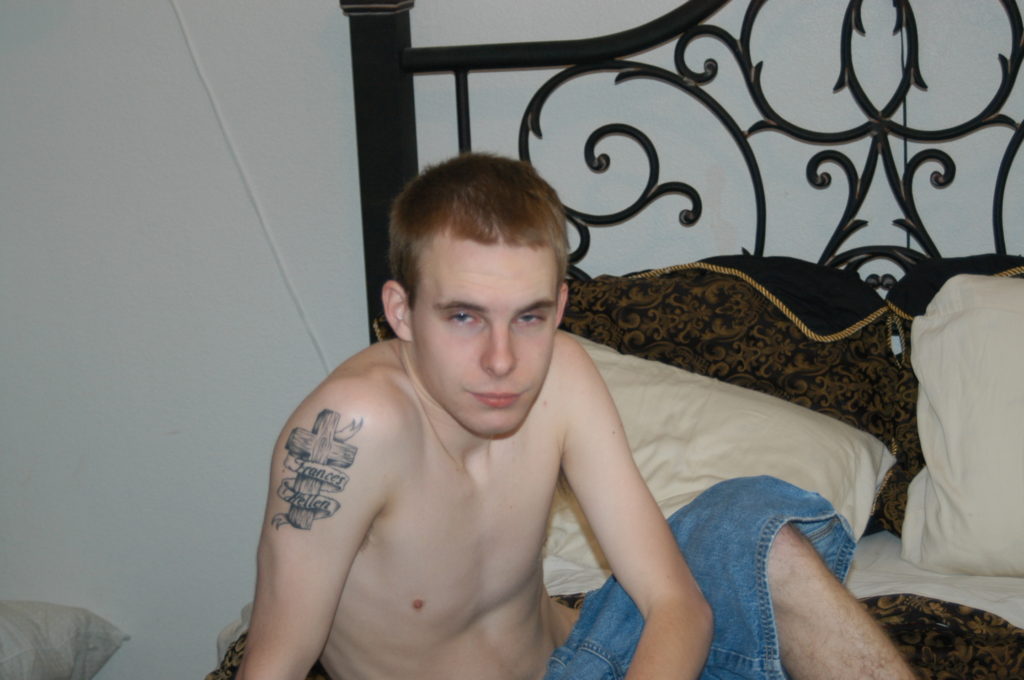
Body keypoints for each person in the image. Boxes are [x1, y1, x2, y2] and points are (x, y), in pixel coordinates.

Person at [232, 153, 916, 680]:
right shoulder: (349, 432)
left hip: (589, 658)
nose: (502, 360)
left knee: (754, 531)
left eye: (529, 317)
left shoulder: (562, 373)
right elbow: (273, 665)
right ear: (400, 312)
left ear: (559, 308)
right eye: (464, 316)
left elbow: (676, 604)